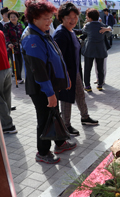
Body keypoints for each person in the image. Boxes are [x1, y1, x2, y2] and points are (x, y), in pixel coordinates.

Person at [21, 0, 77, 163]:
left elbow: (55, 57)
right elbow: (39, 71)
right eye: (46, 18)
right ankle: (43, 153)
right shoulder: (32, 38)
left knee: (53, 114)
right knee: (44, 119)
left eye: (50, 17)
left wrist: (64, 78)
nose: (49, 21)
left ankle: (60, 143)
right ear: (34, 18)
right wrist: (50, 93)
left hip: (50, 87)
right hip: (41, 89)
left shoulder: (41, 32)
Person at [53, 2, 99, 135]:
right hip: (66, 74)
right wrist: (65, 76)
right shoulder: (60, 34)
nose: (73, 20)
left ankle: (85, 117)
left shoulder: (70, 31)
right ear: (61, 18)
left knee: (80, 94)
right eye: (69, 17)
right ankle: (65, 125)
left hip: (75, 71)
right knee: (67, 98)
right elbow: (58, 59)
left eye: (75, 17)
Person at [81, 8, 112, 92]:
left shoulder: (88, 25)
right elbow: (109, 32)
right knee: (100, 68)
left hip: (89, 49)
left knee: (87, 69)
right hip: (100, 49)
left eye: (87, 17)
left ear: (90, 18)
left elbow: (83, 32)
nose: (86, 18)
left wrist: (85, 25)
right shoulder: (102, 25)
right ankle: (100, 85)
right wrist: (107, 29)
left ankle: (87, 86)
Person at [0, 30, 17, 134]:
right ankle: (6, 121)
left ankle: (7, 124)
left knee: (1, 99)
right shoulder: (1, 32)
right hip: (6, 67)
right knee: (6, 96)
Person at [3, 10, 24, 83]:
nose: (13, 18)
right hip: (11, 47)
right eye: (11, 17)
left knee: (20, 62)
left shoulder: (20, 25)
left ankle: (19, 77)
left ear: (17, 17)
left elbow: (23, 35)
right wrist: (8, 43)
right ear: (9, 18)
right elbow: (5, 36)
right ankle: (18, 78)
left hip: (20, 47)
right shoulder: (6, 26)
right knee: (16, 63)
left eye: (14, 16)